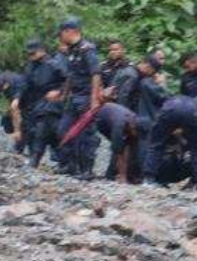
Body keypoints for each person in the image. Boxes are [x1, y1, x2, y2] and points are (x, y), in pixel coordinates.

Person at [56, 17, 102, 180]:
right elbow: (70, 75)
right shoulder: (73, 51)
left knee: (86, 135)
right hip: (74, 97)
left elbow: (95, 73)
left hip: (86, 97)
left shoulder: (87, 49)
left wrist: (94, 99)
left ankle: (87, 170)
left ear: (70, 31)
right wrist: (64, 94)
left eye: (61, 34)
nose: (60, 38)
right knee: (64, 130)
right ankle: (70, 165)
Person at [13, 40, 65, 169]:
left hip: (53, 105)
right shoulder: (30, 66)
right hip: (35, 104)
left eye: (33, 53)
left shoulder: (55, 65)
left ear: (42, 50)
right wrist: (17, 98)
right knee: (36, 132)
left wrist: (59, 92)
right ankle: (36, 159)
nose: (30, 56)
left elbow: (69, 80)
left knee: (45, 131)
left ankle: (36, 161)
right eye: (29, 54)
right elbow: (24, 83)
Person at [143, 95, 197, 189]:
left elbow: (154, 138)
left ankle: (149, 179)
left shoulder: (177, 99)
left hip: (169, 109)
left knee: (156, 144)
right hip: (191, 114)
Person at [95, 102, 140, 184]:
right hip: (102, 120)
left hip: (115, 114)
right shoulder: (119, 126)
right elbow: (120, 153)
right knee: (119, 148)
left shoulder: (136, 119)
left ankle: (130, 174)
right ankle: (115, 175)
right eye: (135, 131)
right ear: (131, 127)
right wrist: (123, 177)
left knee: (130, 146)